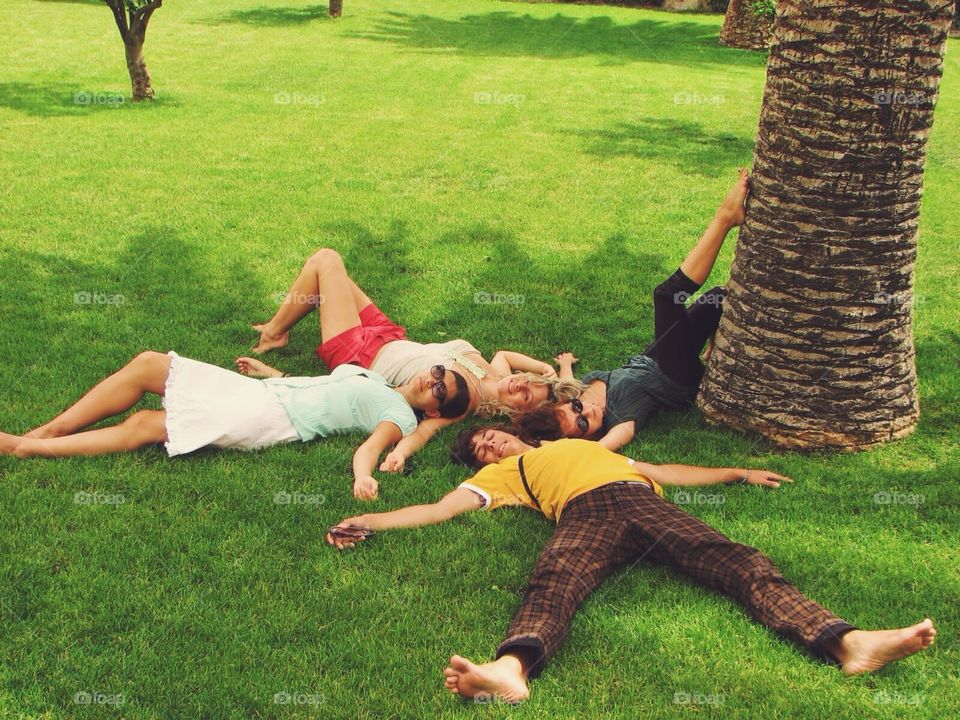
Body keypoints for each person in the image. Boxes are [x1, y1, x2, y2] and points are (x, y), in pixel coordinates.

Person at [327, 429, 937, 703]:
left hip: (640, 502)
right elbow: (438, 509)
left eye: (491, 437)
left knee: (738, 561)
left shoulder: (581, 447)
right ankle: (511, 669)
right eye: (479, 448)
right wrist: (369, 521)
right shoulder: (501, 476)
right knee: (555, 580)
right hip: (584, 515)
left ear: (515, 432)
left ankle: (847, 641)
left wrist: (738, 472)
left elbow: (666, 473)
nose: (489, 447)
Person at [249, 247, 581, 471]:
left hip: (360, 355)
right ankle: (280, 327)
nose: (520, 384)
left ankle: (275, 332)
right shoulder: (496, 373)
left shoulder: (467, 402)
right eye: (528, 383)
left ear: (516, 413)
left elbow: (424, 432)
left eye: (524, 395)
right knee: (332, 278)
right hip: (388, 334)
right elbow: (505, 356)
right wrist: (549, 370)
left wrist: (398, 453)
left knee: (326, 260)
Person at [0, 351, 469, 500]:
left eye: (441, 392)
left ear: (434, 412)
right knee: (148, 364)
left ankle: (26, 448)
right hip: (267, 394)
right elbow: (322, 388)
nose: (433, 382)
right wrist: (270, 373)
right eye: (437, 373)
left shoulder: (400, 416)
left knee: (149, 424)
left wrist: (364, 473)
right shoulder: (373, 377)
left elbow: (373, 447)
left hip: (271, 418)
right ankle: (51, 430)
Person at [515, 169, 748, 452]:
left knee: (718, 298)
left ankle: (711, 338)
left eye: (575, 408)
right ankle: (726, 217)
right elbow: (602, 449)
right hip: (675, 377)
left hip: (653, 358)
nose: (586, 412)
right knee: (667, 297)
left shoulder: (578, 394)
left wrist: (564, 365)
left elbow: (567, 387)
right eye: (583, 424)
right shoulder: (620, 419)